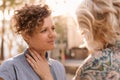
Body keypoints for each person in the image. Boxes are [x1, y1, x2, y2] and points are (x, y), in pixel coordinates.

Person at [0, 4, 66, 80]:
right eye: (44, 30)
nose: (52, 35)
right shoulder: (10, 69)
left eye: (53, 28)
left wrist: (47, 76)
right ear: (27, 36)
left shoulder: (59, 68)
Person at [73, 0, 120, 80]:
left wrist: (47, 76)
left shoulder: (95, 64)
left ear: (96, 29)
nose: (83, 38)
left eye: (83, 32)